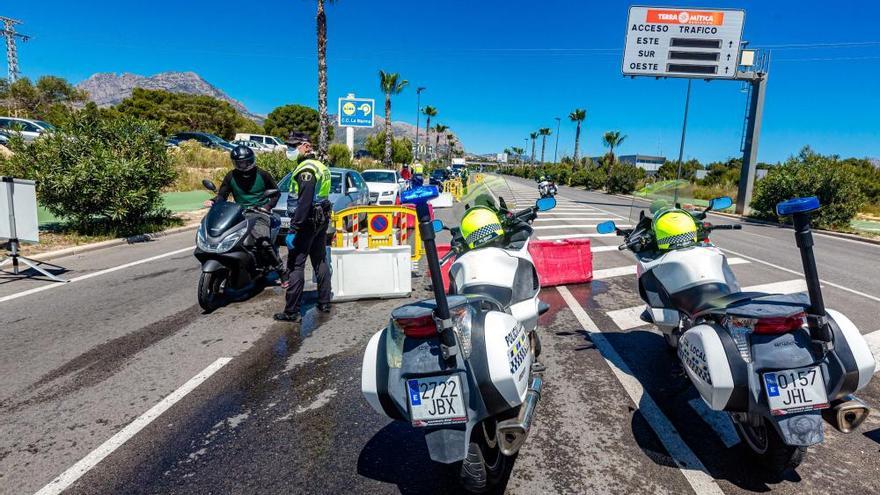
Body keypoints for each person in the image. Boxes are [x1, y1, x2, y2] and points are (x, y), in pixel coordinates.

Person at [274, 132, 333, 323]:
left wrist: (293, 230)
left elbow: (304, 203)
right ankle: (324, 302)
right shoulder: (320, 166)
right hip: (320, 220)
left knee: (296, 265)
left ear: (306, 146)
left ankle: (292, 311)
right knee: (319, 259)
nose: (290, 150)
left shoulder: (306, 170)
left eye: (294, 146)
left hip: (306, 222)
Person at [205, 145, 284, 274]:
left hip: (260, 213)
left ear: (251, 160)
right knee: (223, 236)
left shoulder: (263, 174)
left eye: (246, 162)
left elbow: (276, 193)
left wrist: (267, 207)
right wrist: (214, 201)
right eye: (239, 163)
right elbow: (222, 195)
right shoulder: (231, 176)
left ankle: (281, 270)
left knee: (263, 242)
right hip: (239, 213)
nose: (243, 165)